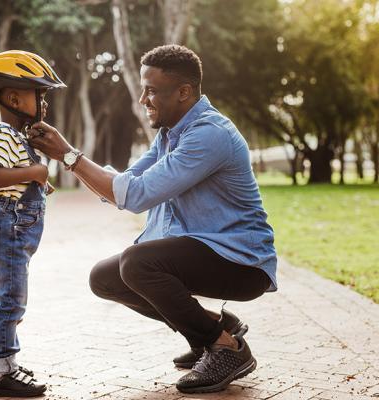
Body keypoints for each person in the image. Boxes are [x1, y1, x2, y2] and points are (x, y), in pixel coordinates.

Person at [28, 44, 278, 394]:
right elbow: (125, 184)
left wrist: (68, 155)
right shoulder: (169, 135)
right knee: (104, 278)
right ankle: (218, 327)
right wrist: (68, 157)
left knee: (137, 264)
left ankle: (226, 348)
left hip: (241, 260)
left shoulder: (209, 134)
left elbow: (137, 195)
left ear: (184, 92)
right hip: (205, 252)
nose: (143, 99)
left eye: (151, 91)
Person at [0, 50, 66, 397]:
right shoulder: (3, 133)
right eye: (40, 95)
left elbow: (14, 177)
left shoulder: (17, 136)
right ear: (13, 97)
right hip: (5, 225)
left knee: (2, 302)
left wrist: (37, 181)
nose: (44, 103)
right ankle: (3, 373)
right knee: (10, 303)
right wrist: (37, 171)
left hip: (9, 227)